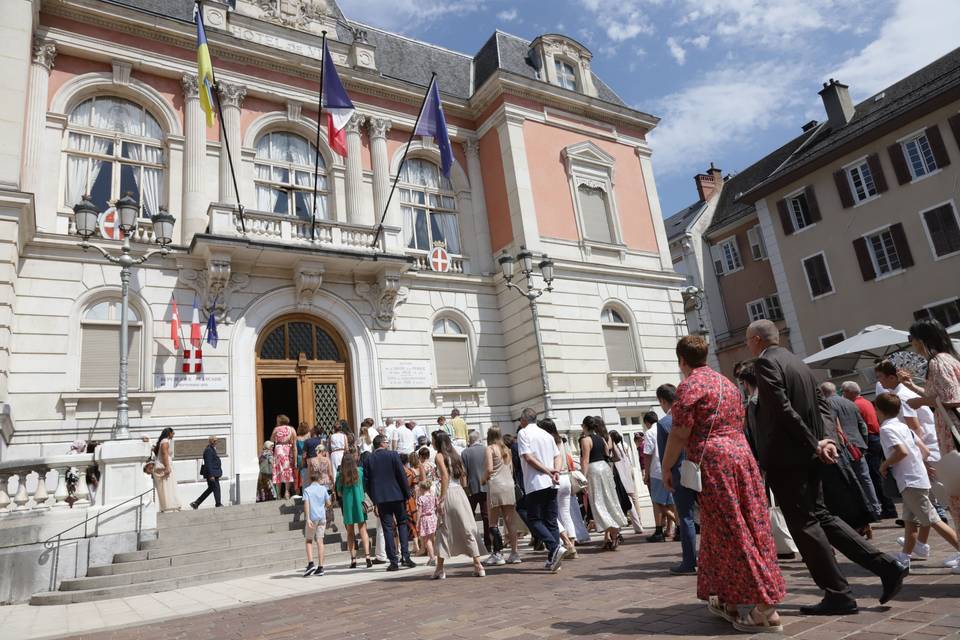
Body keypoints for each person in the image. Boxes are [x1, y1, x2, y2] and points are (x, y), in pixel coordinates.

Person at [746, 319, 907, 615]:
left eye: (747, 340)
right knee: (821, 516)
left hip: (788, 458)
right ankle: (886, 566)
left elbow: (782, 410)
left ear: (756, 340)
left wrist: (816, 442)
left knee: (805, 525)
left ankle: (838, 594)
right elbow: (823, 406)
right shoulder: (799, 363)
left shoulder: (765, 364)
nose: (747, 345)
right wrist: (826, 439)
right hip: (808, 455)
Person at [663, 335, 786, 633]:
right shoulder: (727, 384)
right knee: (737, 528)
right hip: (742, 457)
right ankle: (730, 599)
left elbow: (680, 432)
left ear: (682, 360)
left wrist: (667, 466)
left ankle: (764, 607)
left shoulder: (690, 386)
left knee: (731, 530)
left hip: (715, 462)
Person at [876, 392, 960, 572]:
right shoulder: (903, 426)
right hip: (918, 477)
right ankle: (905, 556)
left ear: (879, 410)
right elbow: (924, 451)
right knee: (909, 519)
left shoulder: (887, 429)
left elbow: (901, 452)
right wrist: (918, 463)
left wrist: (884, 464)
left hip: (910, 480)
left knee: (933, 519)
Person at [900, 319, 960, 568]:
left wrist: (921, 403)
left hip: (952, 434)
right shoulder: (949, 359)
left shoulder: (937, 362)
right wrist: (911, 386)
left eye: (912, 339)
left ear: (922, 339)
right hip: (950, 432)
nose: (912, 345)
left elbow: (952, 399)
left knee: (956, 494)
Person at [821, 381, 882, 523]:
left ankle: (862, 511)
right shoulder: (851, 403)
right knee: (866, 479)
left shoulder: (827, 405)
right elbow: (863, 426)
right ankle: (876, 509)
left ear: (823, 393)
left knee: (851, 480)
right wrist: (864, 443)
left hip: (843, 447)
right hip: (858, 446)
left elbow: (833, 427)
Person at [432, 431, 485, 579]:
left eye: (433, 440)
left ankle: (440, 568)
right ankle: (478, 564)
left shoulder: (439, 456)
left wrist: (441, 498)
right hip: (460, 493)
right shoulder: (455, 455)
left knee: (443, 528)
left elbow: (444, 476)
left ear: (438, 442)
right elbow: (463, 476)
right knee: (468, 527)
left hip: (448, 493)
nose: (432, 442)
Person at [842, 380, 898, 519]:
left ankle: (887, 508)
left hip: (871, 440)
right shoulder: (866, 402)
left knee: (875, 476)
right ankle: (888, 506)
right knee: (878, 475)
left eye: (843, 391)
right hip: (877, 438)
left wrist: (864, 444)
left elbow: (863, 427)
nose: (842, 394)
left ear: (850, 392)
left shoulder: (855, 405)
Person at [658, 382, 697, 574]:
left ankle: (690, 561)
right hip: (698, 468)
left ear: (663, 401)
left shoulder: (664, 423)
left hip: (678, 472)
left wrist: (666, 472)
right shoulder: (693, 414)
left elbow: (664, 453)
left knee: (686, 517)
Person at [362, 435, 417, 571]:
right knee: (402, 524)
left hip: (381, 499)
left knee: (388, 529)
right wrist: (407, 493)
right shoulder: (393, 455)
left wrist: (374, 499)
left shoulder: (369, 459)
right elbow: (401, 475)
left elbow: (367, 483)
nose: (388, 444)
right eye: (386, 442)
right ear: (382, 443)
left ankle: (393, 560)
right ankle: (405, 556)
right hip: (397, 495)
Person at [519, 417, 564, 572]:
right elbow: (558, 456)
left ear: (523, 420)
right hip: (551, 483)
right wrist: (556, 471)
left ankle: (554, 548)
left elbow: (528, 457)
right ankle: (554, 557)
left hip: (535, 483)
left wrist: (548, 471)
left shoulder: (524, 433)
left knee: (534, 519)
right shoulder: (547, 435)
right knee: (551, 520)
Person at [581, 416, 627, 551]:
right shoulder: (601, 438)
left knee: (598, 502)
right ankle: (614, 532)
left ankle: (613, 531)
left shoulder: (586, 440)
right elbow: (607, 453)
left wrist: (582, 478)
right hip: (605, 468)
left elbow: (585, 459)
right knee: (609, 500)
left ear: (585, 426)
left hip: (594, 469)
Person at [481, 426, 521, 565]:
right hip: (509, 485)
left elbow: (489, 469)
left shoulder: (490, 449)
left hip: (496, 486)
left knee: (493, 522)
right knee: (510, 522)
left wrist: (483, 479)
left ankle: (497, 554)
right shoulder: (507, 449)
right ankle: (514, 553)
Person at [540, 419, 578, 559]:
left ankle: (566, 542)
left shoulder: (547, 441)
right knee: (566, 513)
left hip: (553, 477)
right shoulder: (560, 439)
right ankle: (572, 544)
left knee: (549, 514)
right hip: (565, 477)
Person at [641, 412, 677, 542]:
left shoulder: (650, 432)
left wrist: (647, 474)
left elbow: (647, 454)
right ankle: (673, 528)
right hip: (671, 468)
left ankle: (660, 530)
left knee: (657, 502)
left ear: (647, 422)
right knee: (671, 501)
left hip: (656, 470)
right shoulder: (666, 427)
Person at [336, 451, 372, 569]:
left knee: (350, 532)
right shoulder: (360, 471)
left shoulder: (340, 475)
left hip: (348, 505)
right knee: (363, 530)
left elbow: (339, 493)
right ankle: (367, 557)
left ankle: (353, 559)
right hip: (359, 504)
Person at [460, 430, 492, 552]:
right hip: (486, 486)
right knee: (486, 516)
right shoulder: (486, 449)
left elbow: (464, 474)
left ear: (470, 440)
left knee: (469, 516)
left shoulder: (465, 452)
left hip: (471, 488)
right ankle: (488, 542)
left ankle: (473, 542)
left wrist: (464, 489)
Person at [610, 430, 645, 536]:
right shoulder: (623, 446)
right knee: (631, 502)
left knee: (620, 503)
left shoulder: (613, 450)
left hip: (620, 479)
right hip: (628, 476)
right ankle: (638, 525)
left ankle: (619, 528)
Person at [301, 467, 332, 577]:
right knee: (320, 541)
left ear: (310, 479)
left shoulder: (307, 490)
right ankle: (321, 567)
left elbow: (306, 505)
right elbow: (328, 503)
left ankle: (310, 563)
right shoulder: (323, 489)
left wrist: (307, 518)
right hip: (322, 517)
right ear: (319, 478)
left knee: (309, 540)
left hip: (312, 518)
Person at [152, 428, 181, 512]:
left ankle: (167, 506)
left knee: (166, 487)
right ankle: (169, 506)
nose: (174, 434)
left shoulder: (163, 441)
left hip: (164, 465)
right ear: (169, 433)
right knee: (168, 487)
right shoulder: (165, 442)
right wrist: (167, 467)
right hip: (164, 466)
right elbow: (164, 454)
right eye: (173, 433)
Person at [190, 436, 223, 509]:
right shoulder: (209, 450)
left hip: (214, 473)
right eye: (214, 441)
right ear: (211, 441)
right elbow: (208, 463)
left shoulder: (212, 449)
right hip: (212, 474)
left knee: (211, 488)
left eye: (216, 441)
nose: (216, 442)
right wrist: (211, 475)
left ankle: (196, 503)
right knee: (216, 488)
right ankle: (218, 503)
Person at [270, 415, 296, 500]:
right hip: (287, 450)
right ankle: (287, 492)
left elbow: (271, 440)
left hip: (278, 450)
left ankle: (278, 494)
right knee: (287, 470)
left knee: (278, 471)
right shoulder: (291, 429)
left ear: (280, 421)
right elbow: (294, 442)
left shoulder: (276, 429)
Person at [417, 480, 439, 566]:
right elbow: (437, 507)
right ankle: (434, 555)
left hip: (425, 519)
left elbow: (419, 511)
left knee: (427, 540)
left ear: (422, 489)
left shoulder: (421, 498)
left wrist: (417, 522)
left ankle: (432, 558)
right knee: (432, 538)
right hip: (433, 518)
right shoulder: (433, 497)